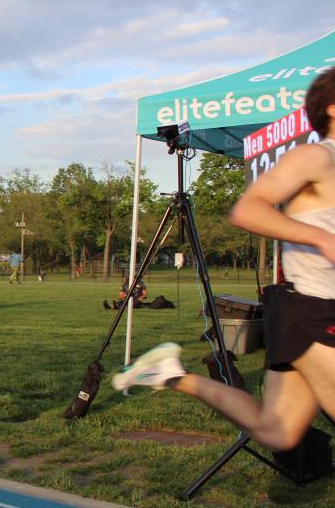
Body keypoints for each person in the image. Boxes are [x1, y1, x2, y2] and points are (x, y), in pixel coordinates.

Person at [113, 70, 335, 452]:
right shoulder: (317, 156)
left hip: (311, 309)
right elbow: (249, 209)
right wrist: (320, 237)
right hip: (313, 309)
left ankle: (171, 375)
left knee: (277, 431)